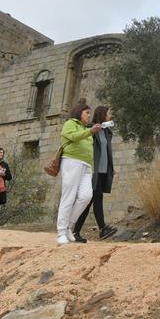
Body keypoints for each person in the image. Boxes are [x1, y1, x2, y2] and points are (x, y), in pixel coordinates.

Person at [56, 101, 103, 244]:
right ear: (79, 112)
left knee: (86, 196)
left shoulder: (85, 128)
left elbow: (89, 150)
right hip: (72, 162)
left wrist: (91, 168)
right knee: (68, 196)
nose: (89, 115)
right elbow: (74, 137)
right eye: (87, 113)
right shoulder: (70, 123)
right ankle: (61, 232)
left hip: (86, 166)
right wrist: (90, 131)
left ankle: (69, 226)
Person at [72, 105, 118, 242]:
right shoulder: (91, 128)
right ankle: (102, 229)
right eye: (108, 113)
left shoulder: (106, 132)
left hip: (103, 171)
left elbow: (106, 152)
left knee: (92, 199)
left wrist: (111, 167)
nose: (110, 116)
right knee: (95, 198)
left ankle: (76, 231)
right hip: (93, 171)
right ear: (103, 114)